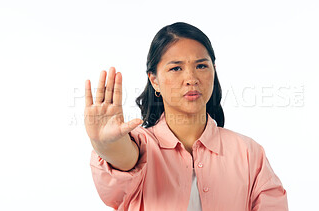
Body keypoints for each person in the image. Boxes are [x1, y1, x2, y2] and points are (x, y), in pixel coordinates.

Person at [84, 22, 288, 211]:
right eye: (176, 68)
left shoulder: (248, 153)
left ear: (213, 72)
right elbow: (124, 157)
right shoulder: (142, 144)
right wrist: (104, 144)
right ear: (154, 80)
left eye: (201, 66)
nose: (191, 79)